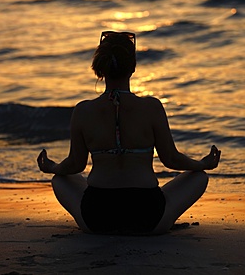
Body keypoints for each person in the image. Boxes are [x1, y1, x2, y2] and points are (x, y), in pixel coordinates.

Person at [37, 31, 221, 235]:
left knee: (59, 178)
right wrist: (202, 164)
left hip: (97, 217)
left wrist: (52, 166)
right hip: (148, 217)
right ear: (132, 68)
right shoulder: (152, 107)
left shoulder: (83, 110)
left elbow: (75, 165)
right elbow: (171, 159)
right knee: (199, 177)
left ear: (100, 69)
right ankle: (163, 222)